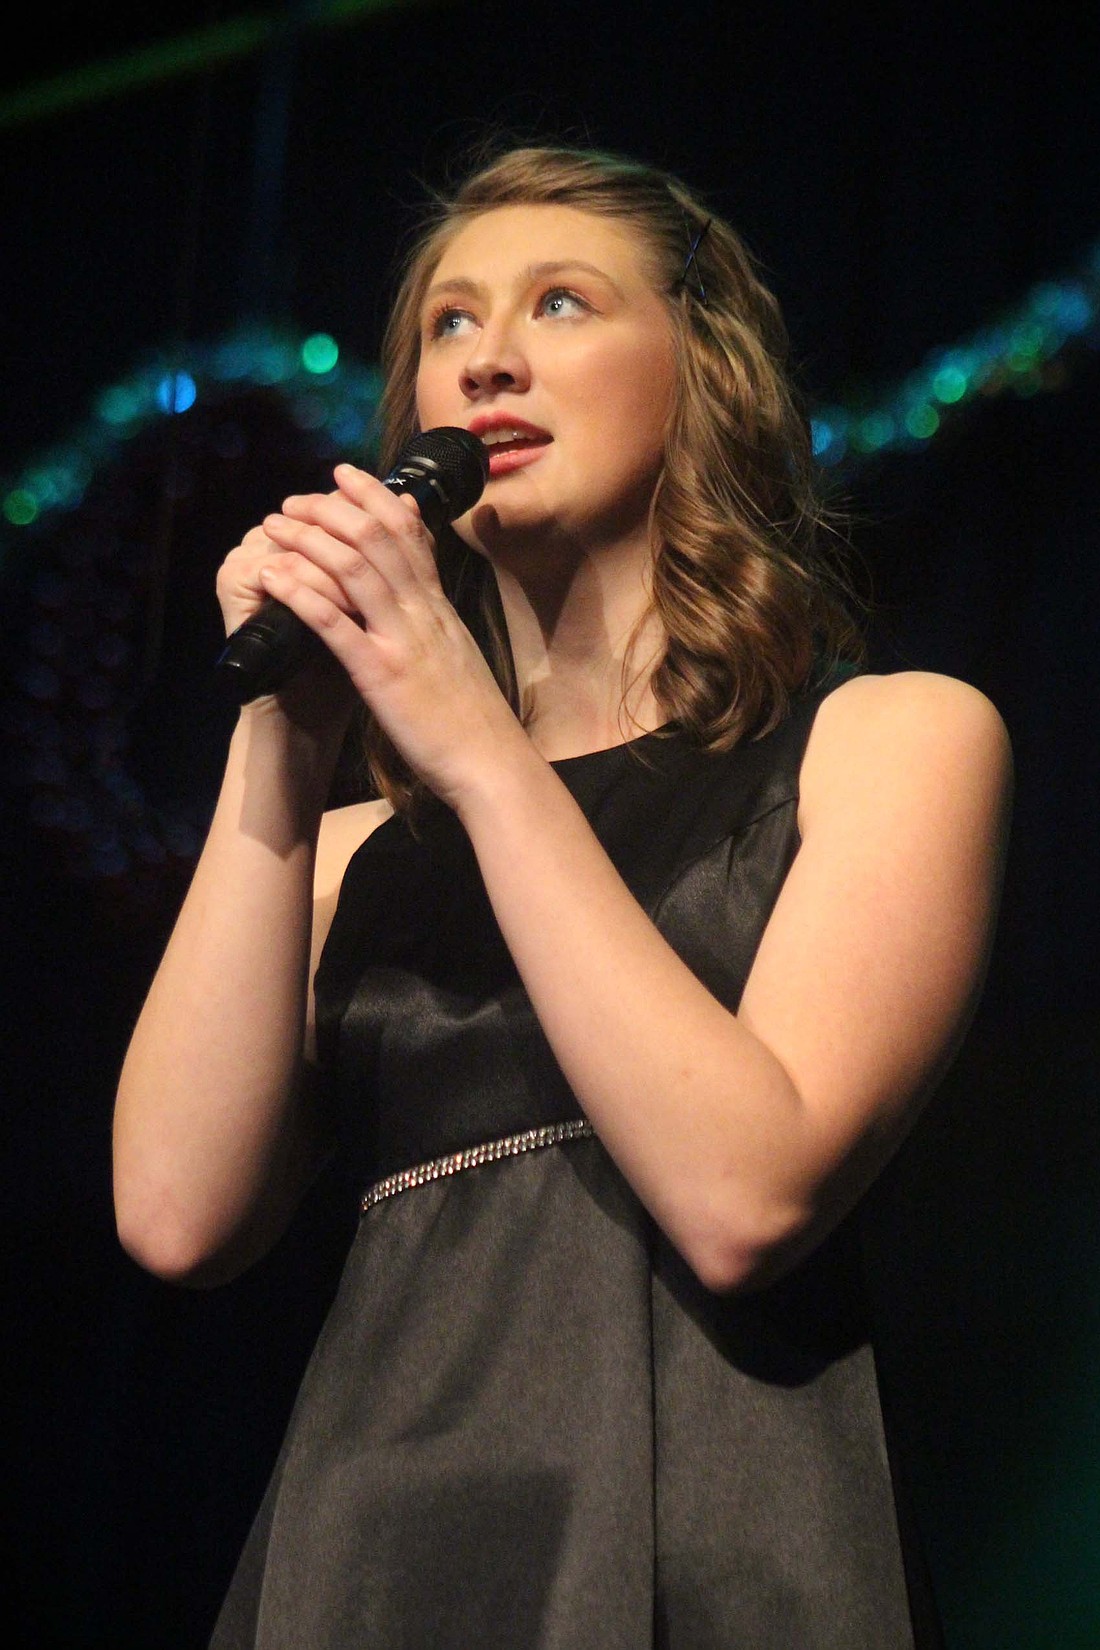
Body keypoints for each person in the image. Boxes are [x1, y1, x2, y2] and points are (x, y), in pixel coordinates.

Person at [112, 143, 1012, 1648]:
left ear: (700, 372)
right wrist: (285, 742)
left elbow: (747, 1195)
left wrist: (469, 739)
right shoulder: (351, 851)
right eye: (448, 327)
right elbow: (175, 1214)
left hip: (719, 1545)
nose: (489, 363)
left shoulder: (892, 742)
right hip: (375, 1545)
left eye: (562, 304)